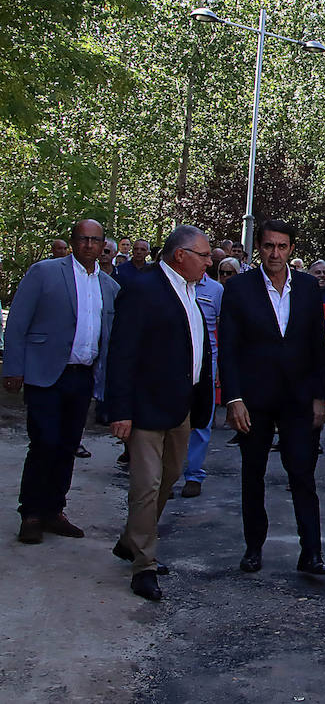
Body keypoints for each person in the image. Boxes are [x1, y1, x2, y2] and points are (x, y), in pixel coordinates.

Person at [104, 226, 214, 601]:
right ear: (180, 255)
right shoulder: (143, 290)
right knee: (146, 485)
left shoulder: (190, 290)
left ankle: (130, 541)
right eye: (203, 254)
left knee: (169, 478)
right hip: (146, 407)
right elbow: (121, 354)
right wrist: (120, 410)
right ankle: (144, 566)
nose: (209, 261)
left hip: (180, 406)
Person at [219, 219, 325, 576]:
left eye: (282, 247)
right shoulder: (238, 289)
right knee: (253, 474)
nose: (275, 254)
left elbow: (317, 346)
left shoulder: (308, 289)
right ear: (259, 248)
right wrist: (233, 398)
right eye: (269, 246)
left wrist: (320, 396)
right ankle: (254, 548)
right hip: (254, 399)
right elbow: (228, 349)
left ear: (292, 250)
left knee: (302, 474)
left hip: (298, 398)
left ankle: (311, 552)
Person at [4, 219, 119, 544]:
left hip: (82, 377)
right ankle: (31, 513)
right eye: (83, 239)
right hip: (45, 374)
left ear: (102, 246)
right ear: (73, 241)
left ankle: (55, 509)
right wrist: (13, 367)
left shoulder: (108, 287)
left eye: (95, 240)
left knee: (68, 444)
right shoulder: (45, 272)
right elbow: (18, 321)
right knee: (44, 442)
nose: (89, 245)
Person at [181, 246, 225, 498]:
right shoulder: (171, 287)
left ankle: (194, 475)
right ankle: (166, 474)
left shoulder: (216, 291)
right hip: (176, 360)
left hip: (208, 361)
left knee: (201, 420)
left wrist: (221, 369)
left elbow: (222, 328)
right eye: (204, 256)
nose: (208, 262)